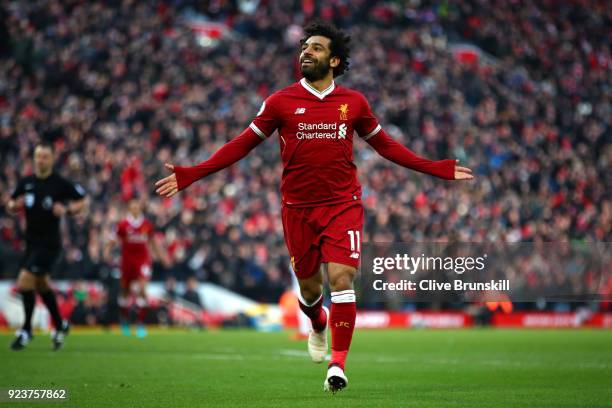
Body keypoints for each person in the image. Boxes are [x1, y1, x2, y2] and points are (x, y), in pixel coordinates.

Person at [155, 21, 474, 392]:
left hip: (343, 205)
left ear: (335, 60)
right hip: (298, 210)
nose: (306, 52)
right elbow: (242, 144)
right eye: (304, 47)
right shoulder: (280, 102)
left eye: (316, 48)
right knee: (309, 291)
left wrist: (435, 168)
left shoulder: (353, 103)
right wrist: (193, 173)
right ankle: (318, 322)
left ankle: (337, 366)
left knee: (342, 278)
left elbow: (386, 146)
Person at [7, 141, 87, 350]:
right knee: (41, 285)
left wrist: (67, 210)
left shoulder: (59, 184)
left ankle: (26, 330)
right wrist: (14, 206)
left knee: (25, 282)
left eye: (44, 156)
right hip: (31, 243)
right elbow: (10, 202)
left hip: (50, 244)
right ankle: (60, 324)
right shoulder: (26, 183)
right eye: (38, 156)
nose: (40, 160)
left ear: (51, 159)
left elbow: (81, 201)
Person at [104, 198, 169, 338]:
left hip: (143, 260)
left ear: (140, 207)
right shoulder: (123, 225)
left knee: (142, 289)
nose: (135, 208)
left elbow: (153, 242)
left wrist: (162, 256)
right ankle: (125, 320)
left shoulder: (146, 224)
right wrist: (107, 252)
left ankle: (140, 323)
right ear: (128, 208)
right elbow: (113, 240)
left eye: (137, 205)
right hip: (127, 261)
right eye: (132, 206)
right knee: (126, 292)